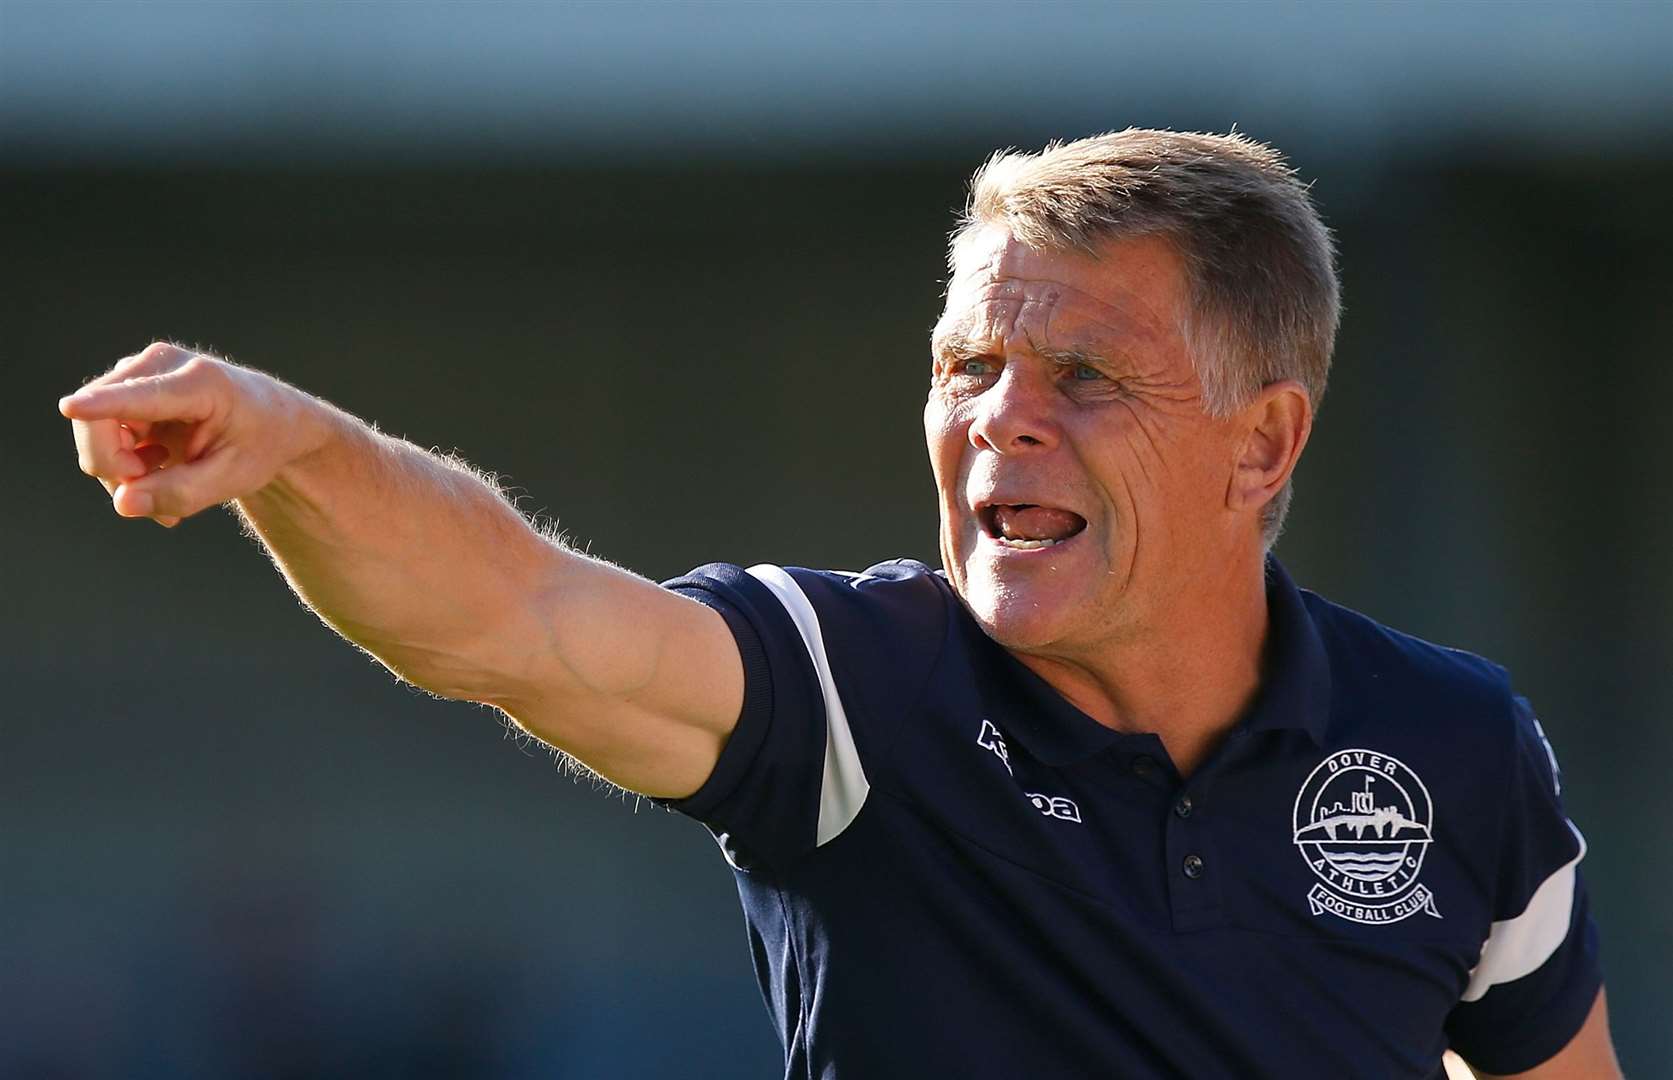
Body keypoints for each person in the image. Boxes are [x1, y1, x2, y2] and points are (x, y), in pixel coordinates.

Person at [59, 129, 1619, 1079]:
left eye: (1082, 377)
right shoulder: (855, 689)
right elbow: (508, 614)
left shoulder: (1455, 743)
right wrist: (295, 449)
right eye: (965, 368)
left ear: (1261, 441)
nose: (1000, 420)